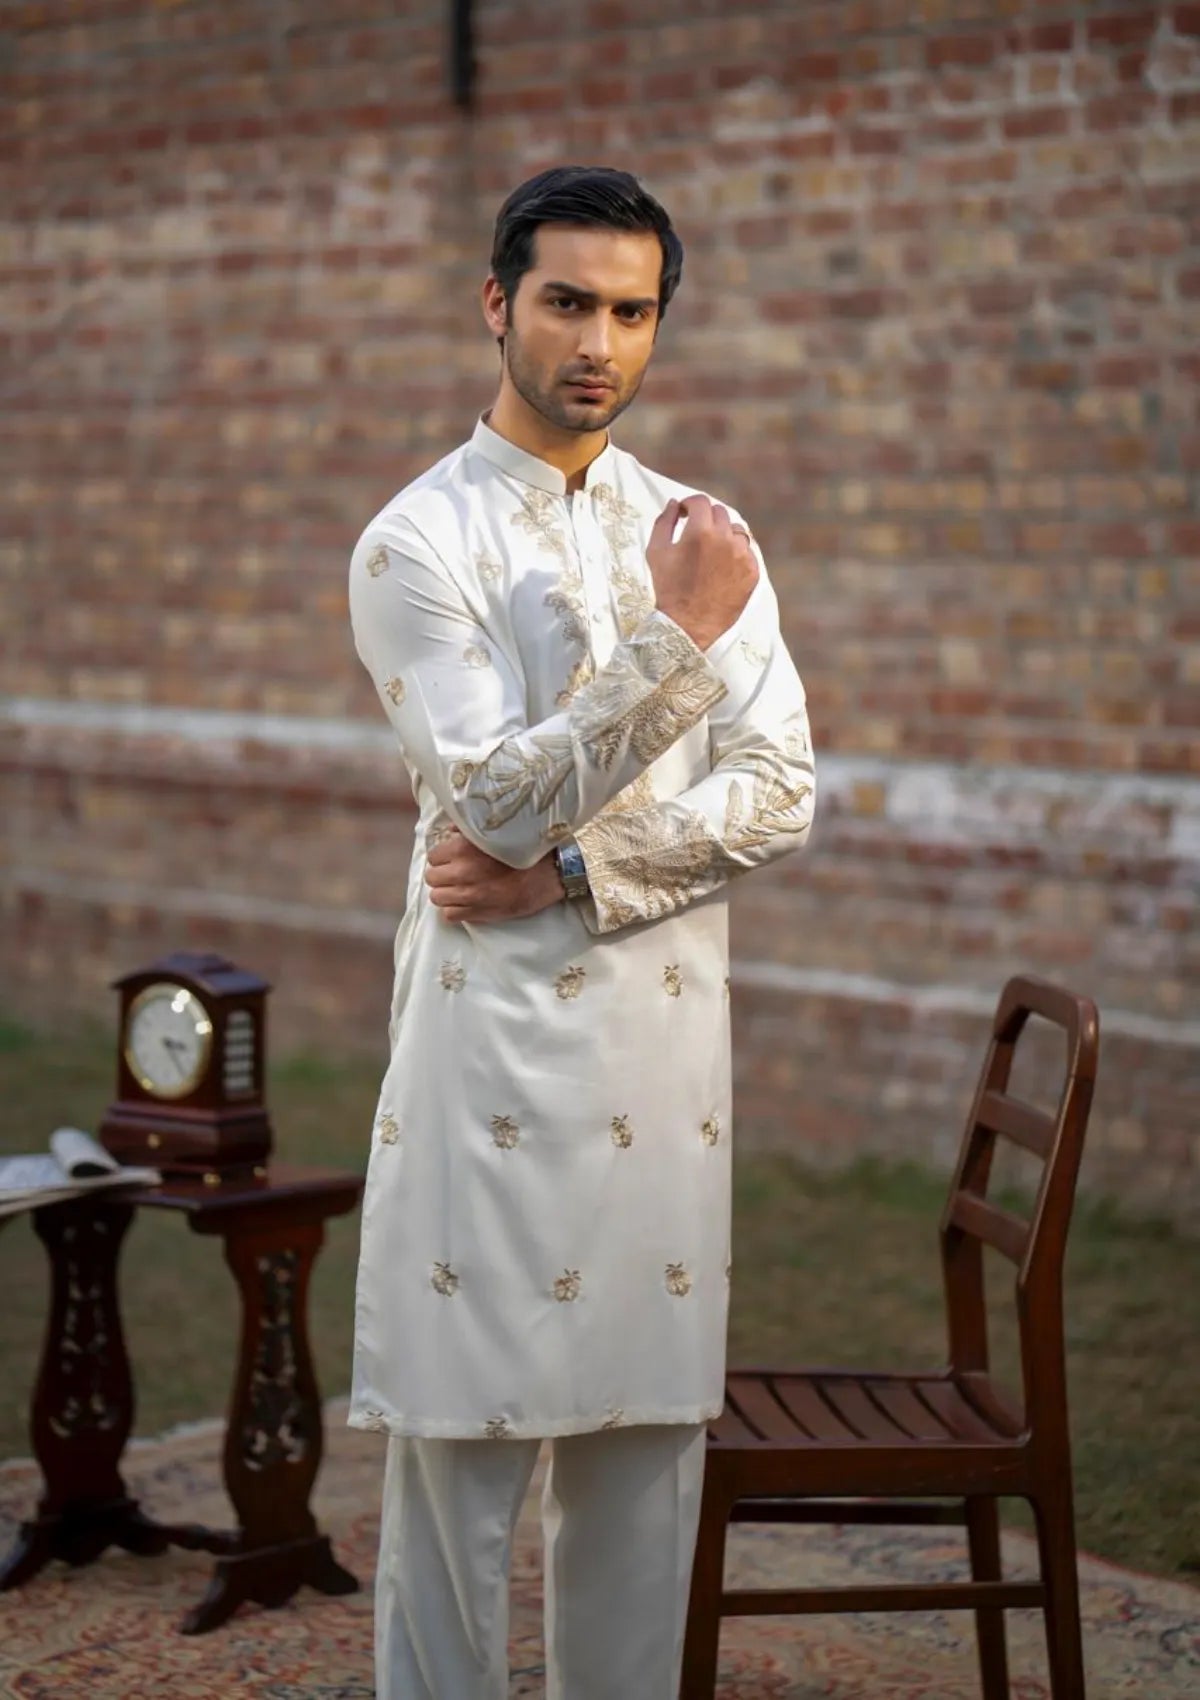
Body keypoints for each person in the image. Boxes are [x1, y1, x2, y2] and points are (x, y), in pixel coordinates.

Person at [347, 164, 816, 1700]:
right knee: (456, 1490)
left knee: (642, 1473)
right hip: (485, 1059)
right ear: (498, 304)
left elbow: (780, 796)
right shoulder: (414, 543)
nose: (598, 342)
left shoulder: (706, 536)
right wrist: (679, 640)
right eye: (566, 302)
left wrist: (569, 874)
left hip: (659, 1069)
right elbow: (489, 798)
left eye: (631, 310)